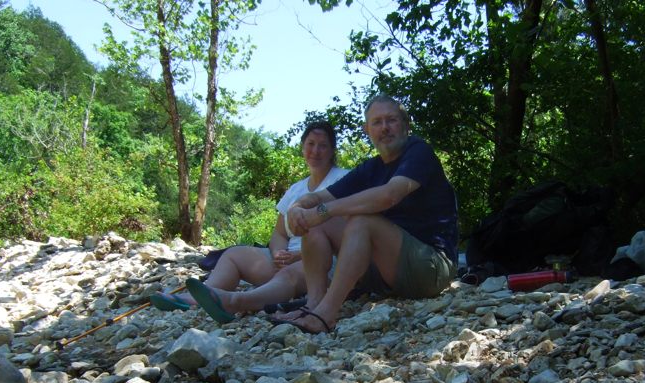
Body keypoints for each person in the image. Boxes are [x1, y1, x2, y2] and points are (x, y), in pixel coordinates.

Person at [272, 94, 459, 334]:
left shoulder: (418, 152)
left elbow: (389, 195)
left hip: (431, 269)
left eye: (391, 120)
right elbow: (319, 197)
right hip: (385, 274)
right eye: (377, 122)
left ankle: (325, 315)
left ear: (405, 125)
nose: (384, 128)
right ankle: (313, 304)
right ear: (367, 130)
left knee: (361, 221)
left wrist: (324, 211)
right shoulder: (371, 168)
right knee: (318, 225)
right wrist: (297, 208)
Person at [150, 121, 348, 322]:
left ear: (332, 150)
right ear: (303, 147)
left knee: (289, 273)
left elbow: (343, 234)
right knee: (233, 255)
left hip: (322, 263)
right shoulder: (296, 189)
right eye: (311, 144)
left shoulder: (343, 180)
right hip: (287, 259)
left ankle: (236, 301)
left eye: (323, 145)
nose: (315, 151)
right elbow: (280, 233)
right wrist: (278, 254)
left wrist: (299, 256)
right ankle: (200, 296)